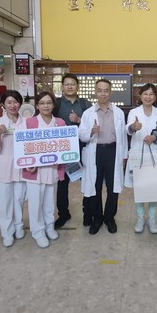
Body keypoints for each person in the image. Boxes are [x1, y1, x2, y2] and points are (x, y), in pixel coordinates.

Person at [78, 79, 128, 235]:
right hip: (95, 152)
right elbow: (81, 135)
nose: (103, 94)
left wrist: (124, 156)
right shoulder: (88, 113)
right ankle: (97, 219)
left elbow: (123, 137)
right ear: (95, 92)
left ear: (110, 92)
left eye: (106, 90)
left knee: (113, 187)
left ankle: (109, 218)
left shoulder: (118, 112)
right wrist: (91, 131)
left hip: (113, 151)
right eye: (99, 90)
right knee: (95, 186)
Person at [23, 91, 67, 248]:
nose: (45, 106)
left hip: (52, 169)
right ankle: (38, 232)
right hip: (35, 170)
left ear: (53, 105)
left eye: (49, 102)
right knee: (35, 203)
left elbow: (65, 145)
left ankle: (49, 227)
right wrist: (28, 163)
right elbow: (23, 146)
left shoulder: (60, 122)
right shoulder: (30, 122)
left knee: (49, 201)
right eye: (42, 103)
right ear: (37, 105)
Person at [126, 83, 157, 234]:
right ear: (140, 96)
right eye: (145, 94)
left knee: (154, 187)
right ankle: (140, 218)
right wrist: (133, 127)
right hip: (138, 154)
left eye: (151, 94)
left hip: (155, 154)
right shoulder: (134, 112)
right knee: (139, 187)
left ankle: (152, 219)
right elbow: (127, 129)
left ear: (155, 97)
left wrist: (155, 137)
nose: (148, 97)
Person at [0, 90, 26, 248]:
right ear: (3, 104)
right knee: (5, 203)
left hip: (21, 168)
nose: (13, 105)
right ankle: (7, 232)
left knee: (19, 200)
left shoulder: (26, 123)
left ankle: (19, 226)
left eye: (16, 102)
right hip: (2, 169)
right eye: (9, 102)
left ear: (20, 104)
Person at [53, 73, 92, 228]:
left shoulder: (85, 104)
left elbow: (93, 124)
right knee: (62, 183)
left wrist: (79, 120)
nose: (70, 86)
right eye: (67, 84)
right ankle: (63, 214)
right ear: (62, 87)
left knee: (86, 181)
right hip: (62, 149)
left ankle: (88, 213)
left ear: (78, 86)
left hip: (82, 148)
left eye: (73, 84)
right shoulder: (55, 104)